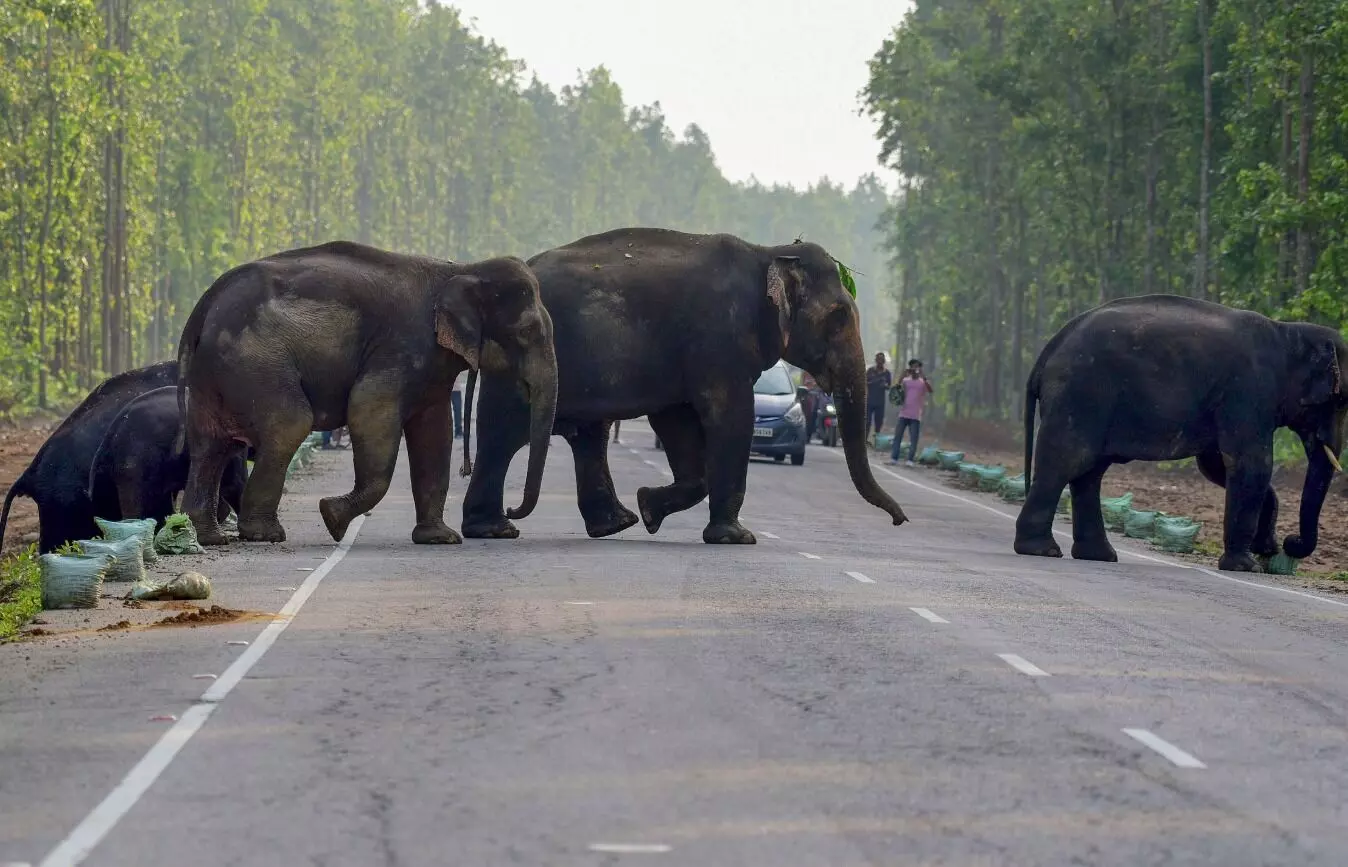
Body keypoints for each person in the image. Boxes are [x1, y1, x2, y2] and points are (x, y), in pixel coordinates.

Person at [890, 359, 933, 467]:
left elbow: (930, 390)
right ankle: (894, 458)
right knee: (898, 437)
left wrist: (923, 376)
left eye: (917, 367)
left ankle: (910, 459)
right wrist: (902, 375)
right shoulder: (906, 381)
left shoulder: (922, 382)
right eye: (913, 366)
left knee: (913, 439)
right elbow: (896, 388)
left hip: (915, 415)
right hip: (904, 413)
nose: (915, 369)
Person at [865, 352, 891, 443]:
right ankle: (864, 440)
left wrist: (885, 385)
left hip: (880, 401)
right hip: (870, 400)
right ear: (876, 360)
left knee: (878, 422)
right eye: (878, 359)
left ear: (884, 361)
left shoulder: (887, 373)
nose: (880, 361)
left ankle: (876, 441)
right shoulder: (870, 371)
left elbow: (889, 386)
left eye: (882, 359)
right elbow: (864, 382)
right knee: (867, 421)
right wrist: (873, 382)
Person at [451, 371, 465, 439]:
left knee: (458, 410)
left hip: (455, 387)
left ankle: (458, 431)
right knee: (457, 410)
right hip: (444, 387)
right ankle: (458, 431)